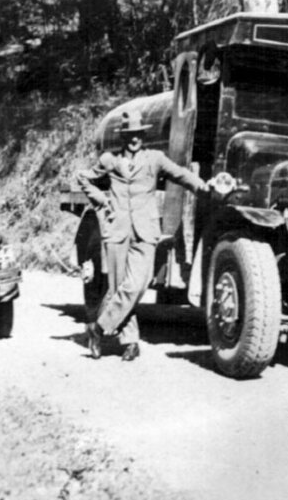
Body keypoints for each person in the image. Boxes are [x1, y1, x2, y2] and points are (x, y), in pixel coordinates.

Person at [76, 109, 211, 361]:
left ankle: (98, 327)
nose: (135, 139)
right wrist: (101, 201)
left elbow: (180, 173)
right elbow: (83, 178)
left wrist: (203, 187)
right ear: (123, 137)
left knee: (137, 284)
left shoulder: (155, 158)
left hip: (146, 230)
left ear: (143, 136)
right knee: (119, 288)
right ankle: (130, 342)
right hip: (118, 229)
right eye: (130, 135)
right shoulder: (109, 161)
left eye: (138, 134)